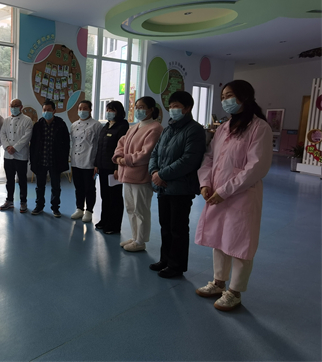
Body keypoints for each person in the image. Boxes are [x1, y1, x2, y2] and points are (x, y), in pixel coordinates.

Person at [194, 80, 273, 311]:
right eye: (222, 97)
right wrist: (205, 183)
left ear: (244, 96)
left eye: (229, 95)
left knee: (240, 243)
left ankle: (235, 292)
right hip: (216, 192)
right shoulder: (223, 128)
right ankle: (218, 283)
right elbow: (210, 158)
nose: (224, 100)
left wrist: (225, 190)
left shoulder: (259, 128)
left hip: (242, 195)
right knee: (219, 239)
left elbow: (256, 167)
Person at [148, 91, 207, 278]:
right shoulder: (168, 129)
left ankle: (176, 265)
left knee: (178, 228)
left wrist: (161, 174)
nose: (172, 109)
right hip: (164, 186)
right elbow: (155, 153)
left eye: (176, 106)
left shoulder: (195, 130)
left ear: (187, 108)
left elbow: (189, 160)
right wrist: (154, 171)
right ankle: (165, 259)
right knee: (165, 226)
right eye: (171, 106)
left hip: (181, 188)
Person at [113, 96, 162, 252]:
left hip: (141, 177)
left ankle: (141, 241)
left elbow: (146, 153)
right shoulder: (135, 127)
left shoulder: (155, 128)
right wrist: (119, 157)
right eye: (137, 107)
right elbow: (121, 143)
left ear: (151, 110)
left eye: (142, 107)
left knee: (141, 210)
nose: (138, 110)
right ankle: (135, 237)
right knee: (130, 208)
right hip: (127, 175)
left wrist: (125, 159)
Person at [29, 100, 70, 217]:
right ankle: (39, 206)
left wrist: (64, 159)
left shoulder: (61, 125)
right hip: (40, 160)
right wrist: (33, 160)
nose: (46, 112)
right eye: (44, 110)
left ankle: (55, 208)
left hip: (55, 161)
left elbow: (66, 144)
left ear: (54, 111)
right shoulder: (37, 126)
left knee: (56, 186)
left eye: (49, 110)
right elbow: (33, 144)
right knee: (39, 186)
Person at [94, 101, 129, 234]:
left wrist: (117, 167)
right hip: (103, 166)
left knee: (115, 197)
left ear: (118, 112)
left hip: (114, 168)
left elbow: (122, 149)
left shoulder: (122, 127)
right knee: (105, 195)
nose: (109, 112)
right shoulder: (106, 126)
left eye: (112, 110)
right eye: (108, 110)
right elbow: (100, 147)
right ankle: (104, 220)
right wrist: (96, 164)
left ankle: (114, 225)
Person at [69, 100, 103, 222]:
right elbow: (73, 143)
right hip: (75, 161)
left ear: (90, 110)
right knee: (78, 186)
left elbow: (100, 145)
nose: (82, 111)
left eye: (85, 108)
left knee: (89, 188)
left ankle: (89, 210)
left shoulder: (96, 125)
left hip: (89, 161)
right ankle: (79, 208)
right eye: (80, 108)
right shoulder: (74, 125)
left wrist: (97, 163)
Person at [0, 98, 33, 212]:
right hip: (8, 155)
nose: (13, 108)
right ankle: (9, 201)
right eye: (12, 106)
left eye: (16, 106)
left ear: (21, 107)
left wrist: (15, 148)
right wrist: (7, 146)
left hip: (21, 155)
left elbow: (27, 136)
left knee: (22, 180)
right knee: (9, 180)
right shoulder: (6, 120)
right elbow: (2, 134)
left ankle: (23, 202)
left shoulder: (27, 120)